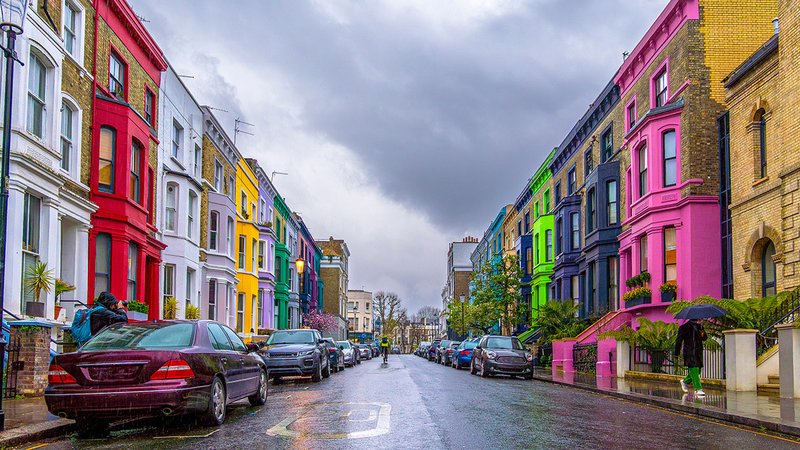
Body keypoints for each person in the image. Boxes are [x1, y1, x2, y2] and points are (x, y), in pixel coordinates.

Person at [675, 318, 708, 397]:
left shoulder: (700, 327)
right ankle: (698, 389)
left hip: (698, 352)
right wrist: (676, 353)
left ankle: (685, 381)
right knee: (694, 369)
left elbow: (705, 338)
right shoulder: (684, 327)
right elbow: (679, 340)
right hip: (689, 352)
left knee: (698, 371)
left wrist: (702, 332)